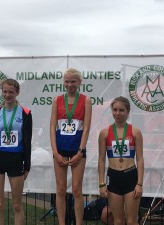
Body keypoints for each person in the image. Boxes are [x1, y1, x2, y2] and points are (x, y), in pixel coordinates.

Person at [0, 78, 32, 225]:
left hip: (16, 159)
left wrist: (27, 166)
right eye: (4, 91)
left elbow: (27, 142)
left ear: (17, 92)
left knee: (17, 205)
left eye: (11, 92)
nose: (7, 95)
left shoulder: (25, 113)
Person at [50, 68, 92, 225]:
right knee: (60, 190)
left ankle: (78, 223)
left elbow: (86, 128)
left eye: (73, 81)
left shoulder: (86, 100)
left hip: (77, 150)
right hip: (60, 149)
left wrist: (80, 151)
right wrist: (55, 152)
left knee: (76, 190)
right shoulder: (57, 101)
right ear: (63, 83)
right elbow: (52, 127)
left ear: (79, 82)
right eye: (67, 81)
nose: (70, 84)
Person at [98, 96, 144, 225]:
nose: (117, 113)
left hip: (131, 176)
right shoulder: (104, 133)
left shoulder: (135, 132)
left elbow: (140, 159)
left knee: (132, 221)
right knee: (117, 221)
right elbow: (101, 160)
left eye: (121, 110)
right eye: (115, 110)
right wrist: (101, 184)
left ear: (128, 112)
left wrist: (139, 184)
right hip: (113, 177)